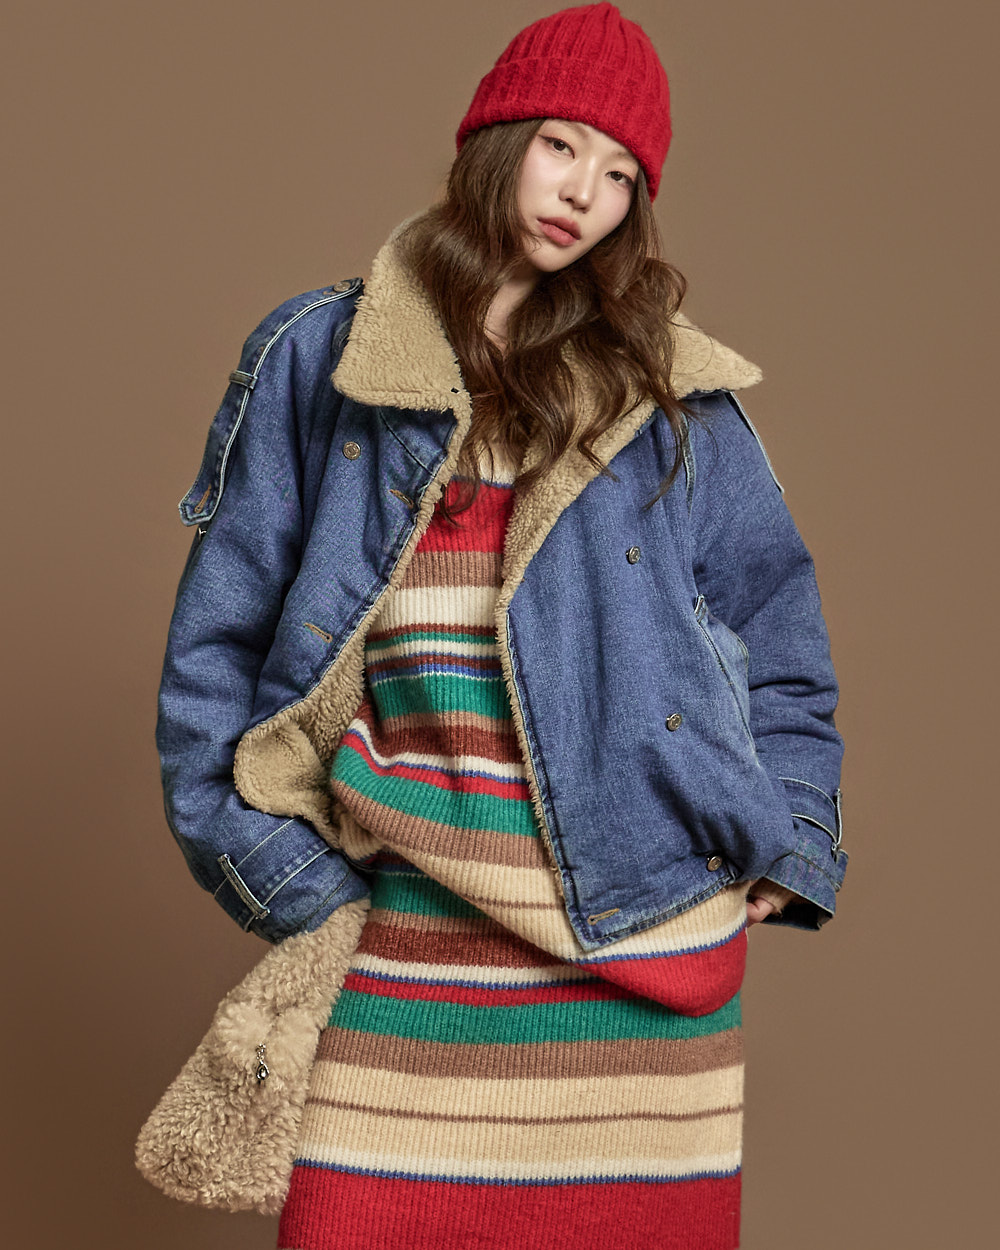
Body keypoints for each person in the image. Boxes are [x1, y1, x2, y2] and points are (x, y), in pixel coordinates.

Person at [154, 4, 847, 1247]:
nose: (583, 192)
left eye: (620, 174)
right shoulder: (322, 359)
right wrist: (293, 885)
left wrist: (788, 836)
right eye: (561, 146)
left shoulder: (670, 394)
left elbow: (778, 635)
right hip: (405, 939)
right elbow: (216, 652)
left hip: (647, 956)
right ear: (495, 141)